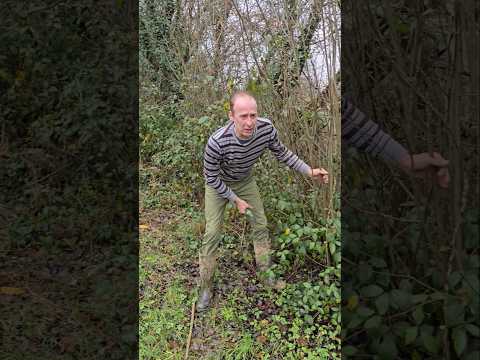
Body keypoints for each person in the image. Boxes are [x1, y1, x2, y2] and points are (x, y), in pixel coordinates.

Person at [198, 91, 328, 311]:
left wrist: (309, 170)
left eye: (253, 115)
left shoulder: (265, 129)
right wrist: (234, 199)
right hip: (218, 185)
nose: (249, 122)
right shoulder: (217, 142)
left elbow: (282, 152)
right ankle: (206, 287)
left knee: (260, 225)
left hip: (245, 181)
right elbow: (210, 176)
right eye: (243, 116)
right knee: (212, 233)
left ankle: (265, 275)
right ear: (231, 115)